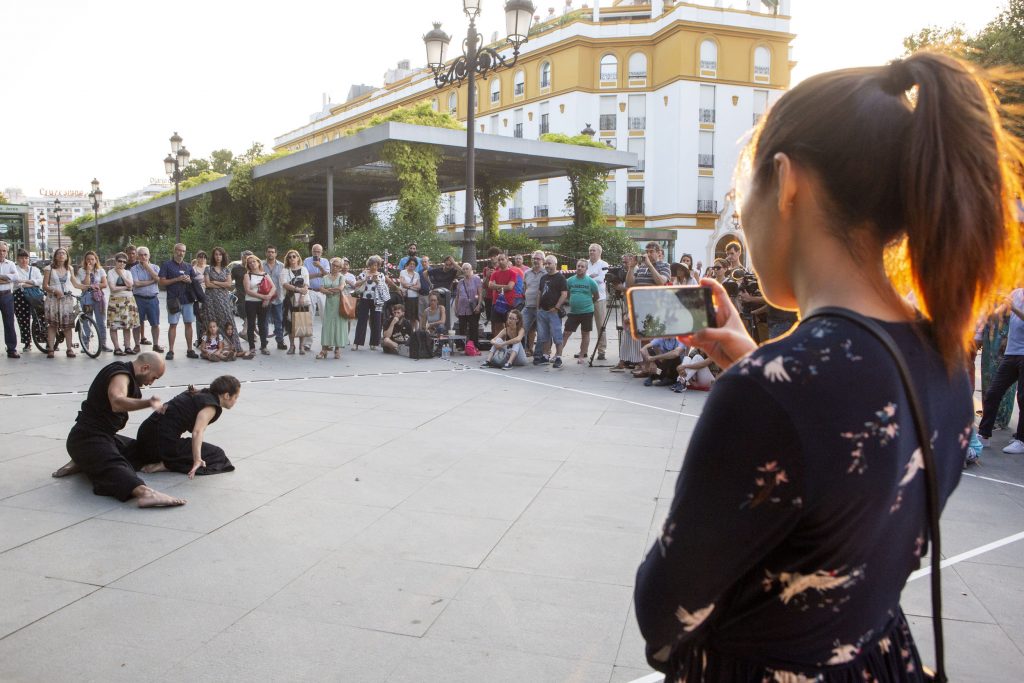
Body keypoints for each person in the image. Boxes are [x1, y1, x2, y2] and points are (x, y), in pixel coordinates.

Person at [634, 53, 1024, 681]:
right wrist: (757, 361)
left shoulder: (770, 395)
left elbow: (666, 612)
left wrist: (762, 381)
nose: (742, 219)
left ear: (786, 183)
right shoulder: (943, 358)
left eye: (741, 195)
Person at [51, 352, 185, 508]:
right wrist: (148, 402)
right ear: (145, 367)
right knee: (115, 464)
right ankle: (146, 494)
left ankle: (83, 461)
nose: (151, 383)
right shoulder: (121, 374)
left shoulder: (127, 375)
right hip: (85, 438)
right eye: (154, 377)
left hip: (105, 437)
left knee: (140, 450)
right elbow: (117, 402)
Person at [129, 375, 240, 479]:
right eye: (236, 397)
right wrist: (197, 459)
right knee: (216, 454)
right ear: (226, 395)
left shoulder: (197, 393)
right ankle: (166, 464)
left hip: (144, 437)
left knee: (192, 446)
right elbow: (197, 432)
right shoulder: (211, 406)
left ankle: (165, 460)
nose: (236, 400)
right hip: (157, 447)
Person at [978, 287, 1024, 454]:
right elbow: (1001, 313)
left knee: (1022, 398)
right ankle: (984, 435)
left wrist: (1014, 307)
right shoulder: (1016, 293)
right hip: (1011, 353)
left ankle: (1021, 439)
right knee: (993, 393)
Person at [158, 243, 199, 360]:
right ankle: (170, 350)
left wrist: (189, 280)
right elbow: (161, 282)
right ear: (174, 251)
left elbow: (194, 281)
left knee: (189, 324)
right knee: (173, 325)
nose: (181, 253)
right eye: (179, 250)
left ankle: (190, 350)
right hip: (173, 299)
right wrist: (177, 279)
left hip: (187, 300)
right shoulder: (166, 265)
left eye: (183, 251)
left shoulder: (188, 266)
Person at [533, 255, 567, 368]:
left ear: (555, 264)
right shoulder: (543, 278)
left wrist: (557, 307)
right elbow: (539, 293)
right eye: (546, 263)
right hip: (542, 311)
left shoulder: (560, 278)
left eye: (549, 263)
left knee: (557, 335)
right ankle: (545, 356)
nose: (547, 265)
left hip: (554, 312)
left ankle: (558, 357)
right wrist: (537, 308)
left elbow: (564, 294)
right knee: (543, 336)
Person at [563, 258, 599, 363]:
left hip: (587, 312)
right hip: (573, 312)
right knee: (566, 333)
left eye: (582, 266)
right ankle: (558, 354)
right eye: (578, 266)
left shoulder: (591, 282)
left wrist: (587, 304)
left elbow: (596, 296)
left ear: (586, 269)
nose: (579, 268)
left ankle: (582, 356)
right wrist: (573, 301)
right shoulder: (569, 281)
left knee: (585, 334)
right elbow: (567, 294)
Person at [42, 247, 76, 359]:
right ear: (55, 256)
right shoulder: (49, 269)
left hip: (66, 300)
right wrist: (55, 290)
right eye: (59, 253)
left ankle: (69, 349)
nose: (61, 255)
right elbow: (45, 286)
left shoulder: (70, 268)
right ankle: (51, 349)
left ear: (67, 257)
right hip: (53, 300)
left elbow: (75, 284)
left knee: (68, 326)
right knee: (52, 325)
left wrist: (88, 287)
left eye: (64, 253)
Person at [353, 255, 391, 351]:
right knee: (362, 320)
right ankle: (357, 342)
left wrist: (377, 281)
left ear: (378, 266)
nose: (374, 267)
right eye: (372, 265)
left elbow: (384, 288)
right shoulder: (363, 273)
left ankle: (374, 343)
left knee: (376, 320)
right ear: (369, 265)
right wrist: (365, 279)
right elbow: (355, 284)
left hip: (377, 300)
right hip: (364, 299)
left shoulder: (381, 275)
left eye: (376, 265)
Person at [130, 247, 163, 353]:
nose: (143, 257)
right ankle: (136, 345)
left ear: (149, 256)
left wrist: (147, 267)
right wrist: (151, 281)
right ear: (137, 256)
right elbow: (136, 284)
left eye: (145, 255)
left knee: (155, 323)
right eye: (140, 255)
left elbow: (158, 279)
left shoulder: (155, 267)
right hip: (138, 299)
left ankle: (156, 345)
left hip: (153, 299)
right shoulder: (134, 269)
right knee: (136, 324)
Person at [319, 257, 353, 359]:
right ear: (331, 265)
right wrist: (329, 291)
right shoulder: (325, 277)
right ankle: (324, 349)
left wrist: (328, 290)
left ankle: (337, 350)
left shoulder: (341, 277)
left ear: (340, 268)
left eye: (337, 266)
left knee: (339, 326)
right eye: (333, 265)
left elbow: (340, 288)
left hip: (339, 304)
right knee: (327, 325)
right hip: (329, 304)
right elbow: (320, 288)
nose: (335, 267)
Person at [106, 252, 140, 356]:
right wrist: (127, 287)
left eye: (124, 262)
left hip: (128, 300)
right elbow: (113, 288)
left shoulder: (128, 272)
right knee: (114, 326)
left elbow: (131, 285)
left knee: (127, 325)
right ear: (115, 261)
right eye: (119, 261)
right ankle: (117, 348)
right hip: (115, 301)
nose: (122, 263)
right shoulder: (110, 272)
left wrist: (121, 275)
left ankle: (128, 347)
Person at [241, 254, 275, 357]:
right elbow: (248, 290)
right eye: (249, 263)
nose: (252, 264)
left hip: (264, 303)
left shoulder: (265, 274)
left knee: (262, 324)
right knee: (251, 324)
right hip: (251, 302)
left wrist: (268, 297)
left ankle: (264, 346)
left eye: (253, 262)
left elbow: (273, 287)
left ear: (258, 262)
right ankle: (252, 348)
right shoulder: (247, 275)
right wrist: (263, 296)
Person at [280, 249, 312, 354]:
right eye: (290, 257)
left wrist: (302, 296)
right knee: (290, 323)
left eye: (294, 256)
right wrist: (298, 289)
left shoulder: (304, 269)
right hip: (289, 299)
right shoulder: (285, 270)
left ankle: (301, 346)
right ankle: (292, 346)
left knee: (302, 322)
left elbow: (306, 284)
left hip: (303, 300)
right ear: (287, 259)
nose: (292, 258)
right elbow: (285, 284)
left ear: (298, 258)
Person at [11, 249, 42, 353]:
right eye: (21, 258)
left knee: (39, 316)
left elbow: (40, 281)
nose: (24, 260)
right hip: (20, 296)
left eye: (26, 258)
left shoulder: (35, 269)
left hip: (35, 295)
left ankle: (42, 339)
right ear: (17, 259)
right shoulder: (14, 269)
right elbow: (16, 283)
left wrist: (26, 282)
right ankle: (27, 342)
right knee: (23, 319)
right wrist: (32, 283)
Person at [586, 244, 610, 360]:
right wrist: (593, 277)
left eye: (593, 250)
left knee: (601, 325)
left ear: (599, 252)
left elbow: (601, 280)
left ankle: (602, 351)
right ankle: (583, 350)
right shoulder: (585, 263)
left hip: (599, 299)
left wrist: (589, 277)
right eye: (590, 250)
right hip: (586, 299)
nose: (591, 252)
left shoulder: (604, 264)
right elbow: (581, 277)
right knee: (585, 326)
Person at [203, 247, 235, 334]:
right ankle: (212, 343)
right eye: (216, 254)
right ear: (213, 256)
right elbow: (208, 284)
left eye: (220, 255)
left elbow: (229, 284)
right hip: (211, 299)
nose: (218, 257)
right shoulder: (208, 269)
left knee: (226, 318)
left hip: (223, 299)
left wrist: (215, 282)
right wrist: (222, 285)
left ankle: (228, 342)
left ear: (223, 256)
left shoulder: (226, 269)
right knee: (211, 319)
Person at [125, 244, 151, 347]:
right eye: (129, 253)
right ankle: (128, 341)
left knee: (141, 318)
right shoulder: (124, 264)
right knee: (129, 318)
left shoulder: (139, 264)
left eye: (133, 253)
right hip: (127, 293)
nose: (131, 255)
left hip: (138, 294)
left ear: (136, 254)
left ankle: (142, 337)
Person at [263, 245, 287, 350]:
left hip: (278, 298)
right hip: (265, 298)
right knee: (264, 321)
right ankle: (264, 343)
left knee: (279, 321)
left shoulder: (282, 266)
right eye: (269, 252)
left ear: (276, 254)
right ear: (266, 253)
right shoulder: (260, 265)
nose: (270, 254)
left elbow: (285, 281)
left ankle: (280, 341)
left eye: (272, 252)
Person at [487, 253, 518, 334]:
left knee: (509, 325)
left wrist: (497, 286)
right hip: (496, 303)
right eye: (499, 260)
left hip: (508, 303)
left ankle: (509, 345)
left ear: (507, 260)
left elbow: (510, 287)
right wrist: (504, 286)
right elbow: (490, 285)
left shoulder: (513, 273)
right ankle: (499, 344)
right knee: (497, 326)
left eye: (502, 259)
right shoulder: (494, 273)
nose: (500, 261)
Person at [454, 262, 483, 347]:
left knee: (473, 328)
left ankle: (474, 346)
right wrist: (456, 308)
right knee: (462, 328)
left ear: (471, 270)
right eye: (464, 269)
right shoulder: (460, 282)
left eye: (467, 268)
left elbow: (480, 294)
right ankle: (462, 346)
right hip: (462, 308)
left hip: (473, 308)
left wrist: (479, 305)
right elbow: (457, 296)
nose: (465, 270)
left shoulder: (476, 279)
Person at [522, 251, 546, 354]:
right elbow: (525, 287)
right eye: (534, 259)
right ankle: (521, 351)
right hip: (528, 306)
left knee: (541, 331)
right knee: (521, 329)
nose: (536, 260)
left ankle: (538, 354)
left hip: (541, 307)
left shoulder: (546, 273)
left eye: (538, 259)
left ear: (543, 261)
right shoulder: (527, 272)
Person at [0, 242, 20, 358]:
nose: (1, 253)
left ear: (7, 252)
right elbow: (11, 278)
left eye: (4, 251)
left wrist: (2, 277)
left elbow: (16, 278)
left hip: (7, 296)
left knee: (9, 323)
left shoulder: (11, 264)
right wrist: (8, 278)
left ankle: (11, 349)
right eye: (0, 250)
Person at [304, 243, 330, 330]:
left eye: (318, 252)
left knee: (325, 316)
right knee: (310, 316)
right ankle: (307, 342)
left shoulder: (325, 261)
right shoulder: (306, 261)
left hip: (322, 291)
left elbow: (327, 276)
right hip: (311, 290)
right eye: (314, 251)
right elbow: (305, 276)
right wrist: (319, 274)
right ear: (311, 251)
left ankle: (326, 340)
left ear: (321, 252)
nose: (316, 253)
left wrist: (319, 266)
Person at [231, 250, 253, 325]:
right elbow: (230, 280)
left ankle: (247, 329)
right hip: (241, 295)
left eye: (249, 258)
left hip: (253, 295)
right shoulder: (236, 269)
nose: (246, 260)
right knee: (241, 311)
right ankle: (247, 325)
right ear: (242, 258)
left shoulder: (254, 268)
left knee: (251, 315)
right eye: (245, 258)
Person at [399, 257, 421, 322]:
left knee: (414, 317)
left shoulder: (417, 274)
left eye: (414, 264)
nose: (412, 265)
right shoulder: (403, 272)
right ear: (408, 264)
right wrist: (413, 285)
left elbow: (419, 286)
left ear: (415, 266)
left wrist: (408, 286)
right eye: (410, 263)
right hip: (405, 297)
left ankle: (412, 331)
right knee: (405, 316)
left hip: (415, 298)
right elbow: (403, 283)